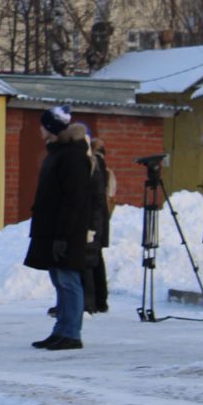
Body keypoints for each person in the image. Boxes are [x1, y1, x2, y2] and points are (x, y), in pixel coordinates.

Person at [26, 104, 97, 351]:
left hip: (67, 231)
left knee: (69, 281)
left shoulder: (72, 156)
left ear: (51, 128)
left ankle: (71, 333)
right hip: (54, 229)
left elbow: (73, 199)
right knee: (60, 280)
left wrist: (63, 235)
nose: (39, 130)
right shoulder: (58, 152)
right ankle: (61, 330)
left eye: (43, 125)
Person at [82, 132, 117, 313]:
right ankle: (100, 300)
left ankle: (93, 301)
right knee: (97, 259)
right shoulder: (105, 168)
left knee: (90, 261)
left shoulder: (94, 166)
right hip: (101, 218)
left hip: (94, 220)